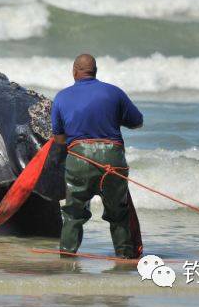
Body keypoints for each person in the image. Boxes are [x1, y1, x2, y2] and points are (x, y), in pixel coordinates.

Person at [51, 54, 144, 258]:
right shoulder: (114, 93)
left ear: (74, 71)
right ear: (95, 71)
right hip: (113, 159)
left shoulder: (61, 97)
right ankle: (125, 259)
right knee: (118, 214)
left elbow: (59, 140)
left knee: (73, 214)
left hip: (79, 159)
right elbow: (137, 122)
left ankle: (67, 258)